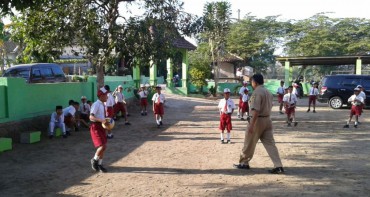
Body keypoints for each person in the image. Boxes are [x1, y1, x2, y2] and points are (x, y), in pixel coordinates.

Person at [234, 73, 284, 174]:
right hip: (267, 120)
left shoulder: (257, 92)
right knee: (270, 144)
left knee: (249, 142)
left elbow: (255, 110)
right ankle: (278, 165)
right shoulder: (268, 92)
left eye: (252, 81)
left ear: (255, 82)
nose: (251, 83)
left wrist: (251, 124)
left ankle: (244, 162)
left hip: (257, 120)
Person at [90, 87, 109, 173]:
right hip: (95, 127)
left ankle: (100, 164)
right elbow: (91, 117)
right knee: (102, 146)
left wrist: (106, 123)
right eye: (106, 95)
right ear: (101, 96)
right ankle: (94, 160)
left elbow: (101, 117)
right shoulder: (96, 104)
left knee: (104, 146)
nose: (107, 97)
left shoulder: (102, 104)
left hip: (101, 126)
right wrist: (102, 120)